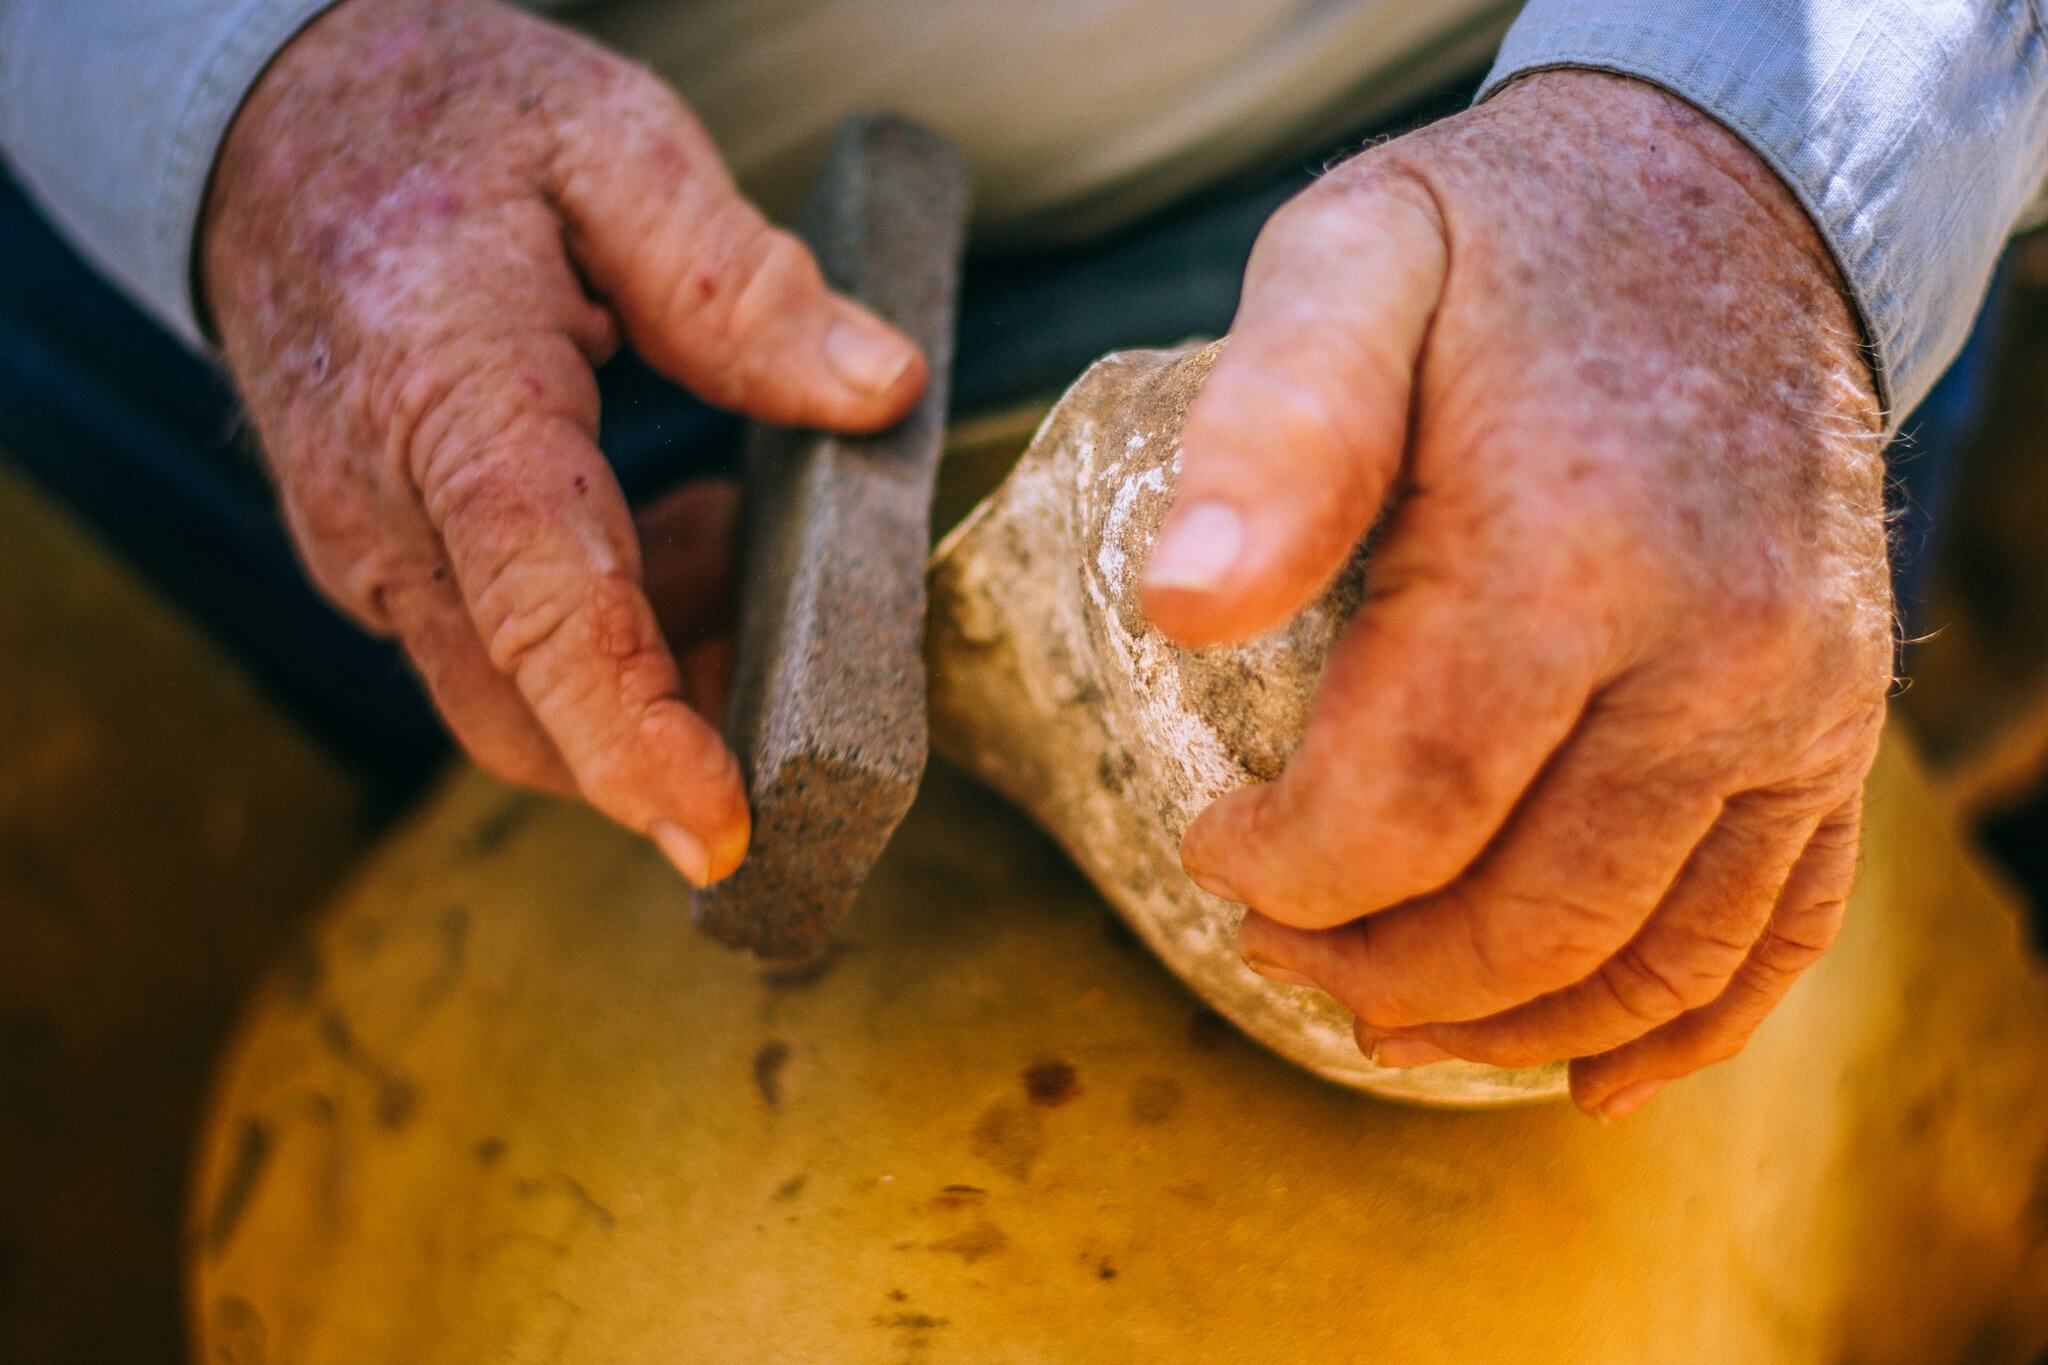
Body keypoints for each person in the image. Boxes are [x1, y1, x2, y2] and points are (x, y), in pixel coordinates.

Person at [2, 0, 2043, 1119]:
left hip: (1515, 188)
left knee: (1477, 937)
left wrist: (1755, 155)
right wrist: (233, 87)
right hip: (261, 190)